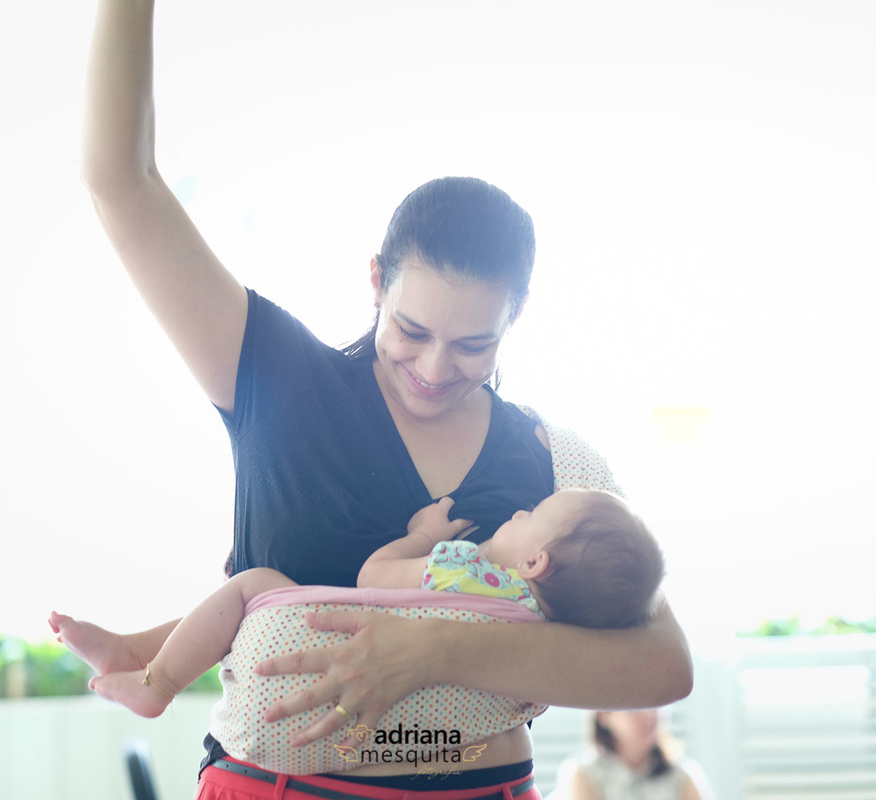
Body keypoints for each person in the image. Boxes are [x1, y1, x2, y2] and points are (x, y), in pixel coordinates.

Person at [73, 1, 693, 797]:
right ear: (375, 282)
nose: (435, 367)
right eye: (411, 329)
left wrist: (434, 648)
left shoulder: (556, 462)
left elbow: (661, 664)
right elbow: (121, 183)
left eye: (474, 344)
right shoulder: (274, 377)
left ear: (517, 317)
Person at [59, 489, 664, 730]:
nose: (521, 511)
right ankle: (137, 650)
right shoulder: (545, 633)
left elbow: (372, 575)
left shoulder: (467, 568)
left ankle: (155, 677)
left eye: (534, 515)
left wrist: (424, 536)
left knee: (251, 585)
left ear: (534, 564)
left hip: (320, 635)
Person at [551, 710, 713, 800]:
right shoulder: (582, 775)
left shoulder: (683, 776)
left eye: (655, 704)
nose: (648, 714)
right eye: (634, 709)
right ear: (603, 715)